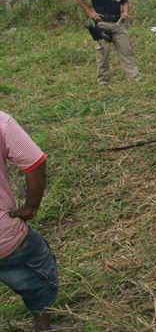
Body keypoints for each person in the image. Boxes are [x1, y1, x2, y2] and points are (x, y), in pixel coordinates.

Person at [0, 112, 58, 331]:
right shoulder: (2, 123)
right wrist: (30, 207)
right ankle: (42, 323)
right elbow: (35, 162)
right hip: (4, 239)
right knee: (38, 270)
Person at [75, 0, 142, 85]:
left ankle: (135, 78)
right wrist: (91, 12)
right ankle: (103, 81)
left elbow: (124, 1)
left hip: (117, 24)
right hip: (102, 23)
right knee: (103, 54)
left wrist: (125, 12)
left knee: (127, 51)